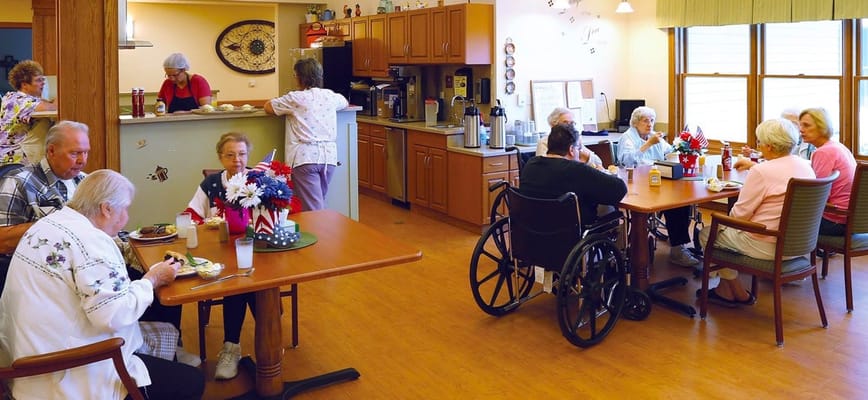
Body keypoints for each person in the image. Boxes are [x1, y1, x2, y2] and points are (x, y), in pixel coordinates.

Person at [0, 120, 199, 367]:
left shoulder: (84, 181)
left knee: (158, 278)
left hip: (90, 260)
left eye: (85, 152)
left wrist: (140, 245)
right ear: (50, 151)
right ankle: (118, 350)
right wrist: (59, 225)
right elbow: (2, 239)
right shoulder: (20, 182)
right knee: (137, 288)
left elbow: (105, 225)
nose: (82, 160)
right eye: (75, 153)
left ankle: (166, 349)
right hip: (44, 273)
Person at [0, 170, 205, 400]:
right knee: (192, 382)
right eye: (125, 208)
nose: (126, 217)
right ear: (106, 208)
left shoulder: (49, 223)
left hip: (26, 359)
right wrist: (152, 280)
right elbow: (112, 316)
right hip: (61, 372)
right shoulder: (90, 241)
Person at [698, 118, 815, 306]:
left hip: (767, 244)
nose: (758, 146)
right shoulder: (805, 166)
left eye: (759, 142)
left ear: (769, 145)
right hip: (801, 245)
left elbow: (739, 215)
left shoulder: (761, 171)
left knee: (706, 233)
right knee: (724, 233)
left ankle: (734, 288)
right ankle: (726, 289)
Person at [184, 131, 255, 380]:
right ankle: (252, 342)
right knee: (241, 283)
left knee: (244, 282)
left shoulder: (260, 181)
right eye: (230, 155)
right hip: (221, 252)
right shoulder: (212, 184)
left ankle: (235, 345)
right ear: (220, 157)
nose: (237, 160)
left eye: (242, 154)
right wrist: (208, 223)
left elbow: (277, 214)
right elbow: (192, 213)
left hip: (258, 251)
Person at [616, 106, 699, 267]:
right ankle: (665, 249)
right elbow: (627, 161)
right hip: (637, 185)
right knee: (674, 205)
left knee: (680, 202)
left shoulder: (654, 137)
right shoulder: (628, 138)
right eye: (645, 121)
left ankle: (678, 247)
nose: (649, 124)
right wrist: (647, 144)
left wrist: (683, 147)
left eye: (652, 120)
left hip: (658, 181)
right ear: (635, 123)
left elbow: (670, 152)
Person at [265, 58, 348, 211]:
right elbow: (344, 102)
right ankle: (320, 232)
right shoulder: (330, 96)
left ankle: (322, 234)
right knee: (318, 201)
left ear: (299, 77)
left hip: (305, 159)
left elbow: (269, 107)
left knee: (313, 209)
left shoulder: (295, 98)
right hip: (328, 159)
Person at [520, 123, 627, 225]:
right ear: (571, 149)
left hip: (532, 236)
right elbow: (620, 189)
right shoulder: (577, 170)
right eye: (579, 148)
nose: (580, 153)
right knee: (610, 211)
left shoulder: (530, 165)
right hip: (572, 239)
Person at [798, 107, 856, 236]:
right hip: (851, 218)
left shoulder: (823, 152)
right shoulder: (838, 147)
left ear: (822, 127)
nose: (801, 130)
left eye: (806, 125)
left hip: (835, 220)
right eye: (800, 125)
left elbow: (818, 195)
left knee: (782, 214)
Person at [0, 60, 57, 165]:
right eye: (38, 80)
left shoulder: (13, 97)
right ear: (25, 84)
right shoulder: (19, 100)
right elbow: (53, 107)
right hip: (15, 160)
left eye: (43, 79)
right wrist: (64, 91)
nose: (43, 83)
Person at [736, 107, 815, 170]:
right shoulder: (780, 141)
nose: (790, 126)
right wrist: (756, 154)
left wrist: (755, 167)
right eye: (787, 123)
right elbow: (779, 156)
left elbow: (785, 162)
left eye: (794, 123)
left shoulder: (809, 142)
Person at [536, 107, 603, 168]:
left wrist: (580, 150)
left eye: (572, 123)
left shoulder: (574, 140)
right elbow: (544, 168)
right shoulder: (544, 142)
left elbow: (598, 162)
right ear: (553, 125)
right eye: (565, 123)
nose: (570, 126)